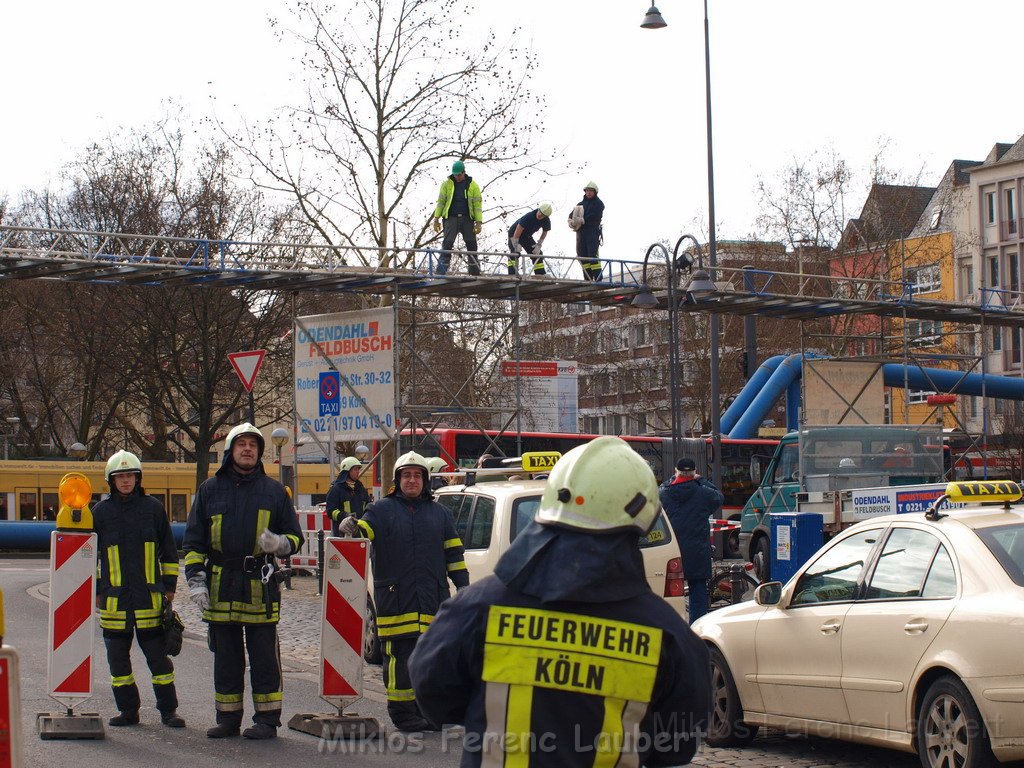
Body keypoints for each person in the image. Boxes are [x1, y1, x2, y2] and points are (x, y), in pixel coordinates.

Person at [409, 437, 711, 767]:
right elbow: (677, 746)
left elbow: (432, 692)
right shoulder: (668, 635)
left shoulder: (476, 609)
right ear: (643, 513)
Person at [182, 423, 303, 740]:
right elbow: (194, 543)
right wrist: (196, 581)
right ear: (230, 451)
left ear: (260, 453)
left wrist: (280, 544)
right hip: (221, 583)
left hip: (259, 585)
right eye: (242, 444)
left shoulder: (275, 492)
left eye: (253, 444)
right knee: (226, 657)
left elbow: (296, 538)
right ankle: (228, 717)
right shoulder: (210, 490)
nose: (247, 448)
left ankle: (267, 720)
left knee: (264, 657)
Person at [338, 451, 469, 731]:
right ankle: (403, 713)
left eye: (417, 475)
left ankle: (427, 711)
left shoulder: (440, 514)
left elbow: (454, 555)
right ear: (398, 480)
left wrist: (465, 587)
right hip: (396, 599)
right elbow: (364, 532)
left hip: (433, 599)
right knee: (400, 657)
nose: (412, 480)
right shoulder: (381, 510)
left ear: (425, 480)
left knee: (431, 658)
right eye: (407, 475)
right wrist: (351, 526)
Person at [93, 450, 184, 729]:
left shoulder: (153, 509)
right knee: (118, 666)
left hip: (149, 599)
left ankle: (168, 712)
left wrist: (169, 588)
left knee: (160, 663)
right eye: (120, 477)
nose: (125, 481)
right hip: (114, 602)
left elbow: (169, 553)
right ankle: (128, 711)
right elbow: (91, 558)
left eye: (130, 475)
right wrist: (97, 591)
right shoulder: (100, 513)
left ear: (138, 478)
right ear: (111, 480)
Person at [659, 457, 724, 623]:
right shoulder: (703, 493)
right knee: (698, 594)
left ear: (676, 471)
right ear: (694, 472)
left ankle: (672, 628)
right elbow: (719, 496)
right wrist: (701, 480)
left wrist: (672, 480)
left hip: (672, 551)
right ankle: (697, 630)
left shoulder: (665, 493)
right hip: (697, 551)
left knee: (670, 593)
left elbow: (658, 492)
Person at [431, 160, 483, 276]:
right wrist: (436, 219)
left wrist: (478, 222)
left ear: (464, 172)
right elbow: (441, 202)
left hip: (467, 219)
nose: (457, 177)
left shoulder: (473, 185)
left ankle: (475, 273)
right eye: (455, 175)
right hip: (451, 218)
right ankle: (441, 273)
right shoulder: (446, 184)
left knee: (472, 246)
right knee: (447, 245)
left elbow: (477, 205)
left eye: (459, 175)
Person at [325, 456, 371, 536]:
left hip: (360, 534)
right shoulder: (336, 489)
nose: (358, 472)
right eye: (355, 469)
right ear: (347, 471)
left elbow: (368, 506)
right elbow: (330, 511)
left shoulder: (360, 488)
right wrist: (345, 516)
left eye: (358, 469)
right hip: (342, 534)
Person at [506, 202, 553, 277]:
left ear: (546, 216)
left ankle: (540, 273)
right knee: (515, 252)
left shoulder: (546, 221)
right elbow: (518, 229)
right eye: (540, 211)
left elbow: (545, 232)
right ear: (538, 209)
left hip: (526, 236)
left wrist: (539, 244)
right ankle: (512, 274)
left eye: (543, 215)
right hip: (514, 234)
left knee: (537, 254)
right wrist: (515, 244)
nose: (540, 215)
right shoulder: (529, 217)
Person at [571, 180, 604, 281]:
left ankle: (598, 278)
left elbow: (595, 216)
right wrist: (572, 221)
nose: (589, 192)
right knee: (582, 255)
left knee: (592, 255)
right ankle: (588, 278)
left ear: (595, 192)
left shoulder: (599, 204)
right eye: (587, 190)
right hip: (581, 233)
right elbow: (571, 215)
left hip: (592, 232)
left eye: (591, 191)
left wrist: (582, 219)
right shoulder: (580, 204)